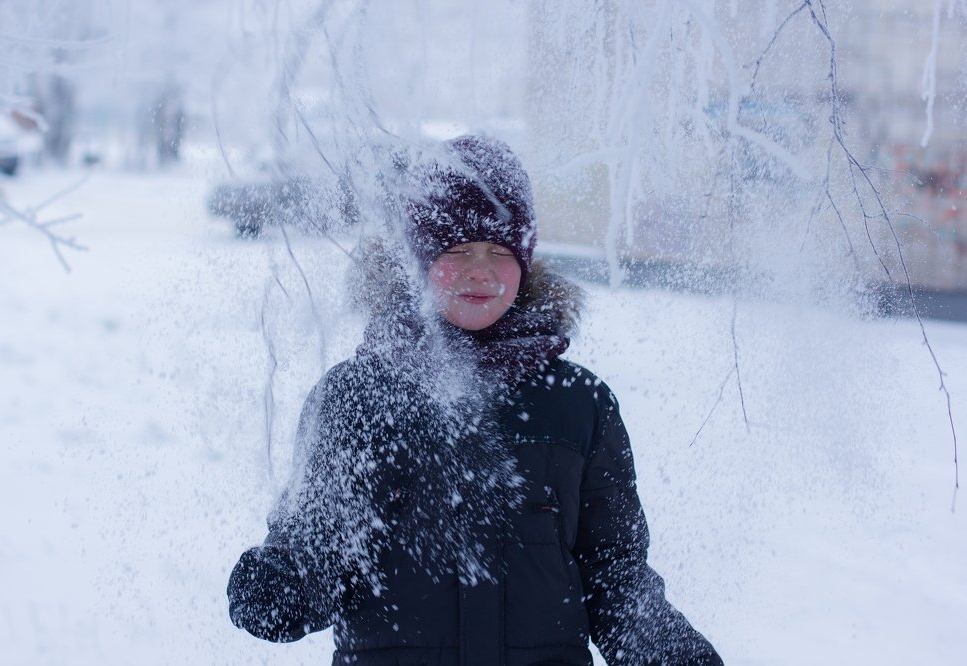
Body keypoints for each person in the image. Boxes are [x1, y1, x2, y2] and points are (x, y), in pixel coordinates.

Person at [227, 135, 722, 666]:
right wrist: (285, 582)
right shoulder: (357, 397)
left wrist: (663, 646)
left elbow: (611, 570)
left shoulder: (579, 405)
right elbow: (319, 541)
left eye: (500, 252)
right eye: (457, 251)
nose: (480, 271)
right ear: (419, 261)